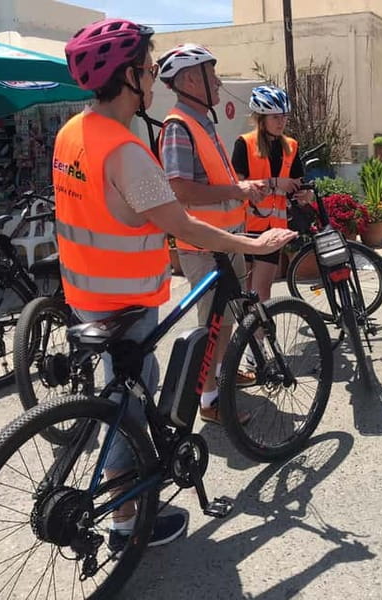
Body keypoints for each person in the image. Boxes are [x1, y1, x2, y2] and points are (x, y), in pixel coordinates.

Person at [56, 19, 296, 551]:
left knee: (125, 395)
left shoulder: (72, 132)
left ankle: (131, 490)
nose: (151, 77)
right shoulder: (126, 150)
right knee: (129, 410)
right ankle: (125, 526)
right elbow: (181, 223)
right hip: (124, 299)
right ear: (127, 78)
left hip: (84, 294)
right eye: (146, 68)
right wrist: (254, 247)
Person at [157, 44, 278, 425]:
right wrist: (235, 191)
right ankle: (208, 400)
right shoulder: (179, 126)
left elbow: (214, 180)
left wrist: (242, 188)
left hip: (225, 241)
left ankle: (220, 379)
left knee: (226, 321)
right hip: (204, 246)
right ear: (191, 79)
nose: (219, 80)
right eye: (212, 74)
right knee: (213, 325)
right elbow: (180, 189)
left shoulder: (202, 121)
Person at [231, 85, 307, 306]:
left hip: (275, 227)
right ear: (261, 118)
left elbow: (297, 182)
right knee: (244, 289)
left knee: (263, 288)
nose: (281, 122)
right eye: (275, 117)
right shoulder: (244, 143)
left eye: (284, 117)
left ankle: (260, 337)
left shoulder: (291, 146)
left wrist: (305, 194)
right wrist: (274, 183)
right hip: (245, 226)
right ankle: (246, 334)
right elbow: (236, 185)